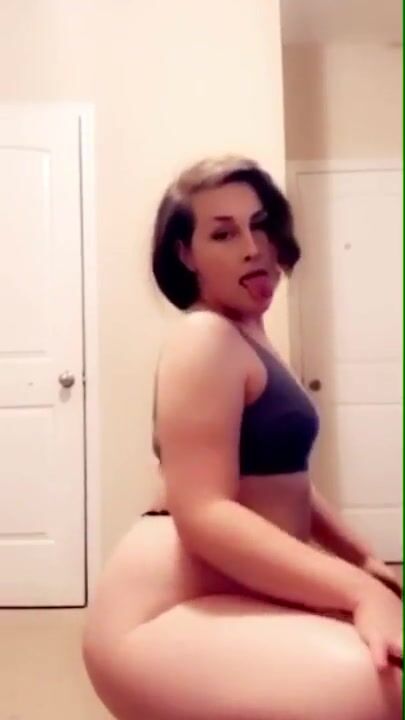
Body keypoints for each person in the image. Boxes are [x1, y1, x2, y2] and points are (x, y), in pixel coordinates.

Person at [82, 156, 402, 720]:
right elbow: (203, 511)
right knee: (386, 690)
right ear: (186, 254)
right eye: (223, 234)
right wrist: (359, 592)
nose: (253, 248)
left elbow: (284, 477)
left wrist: (363, 559)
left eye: (261, 225)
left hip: (233, 591)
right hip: (159, 614)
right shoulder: (204, 336)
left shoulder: (248, 337)